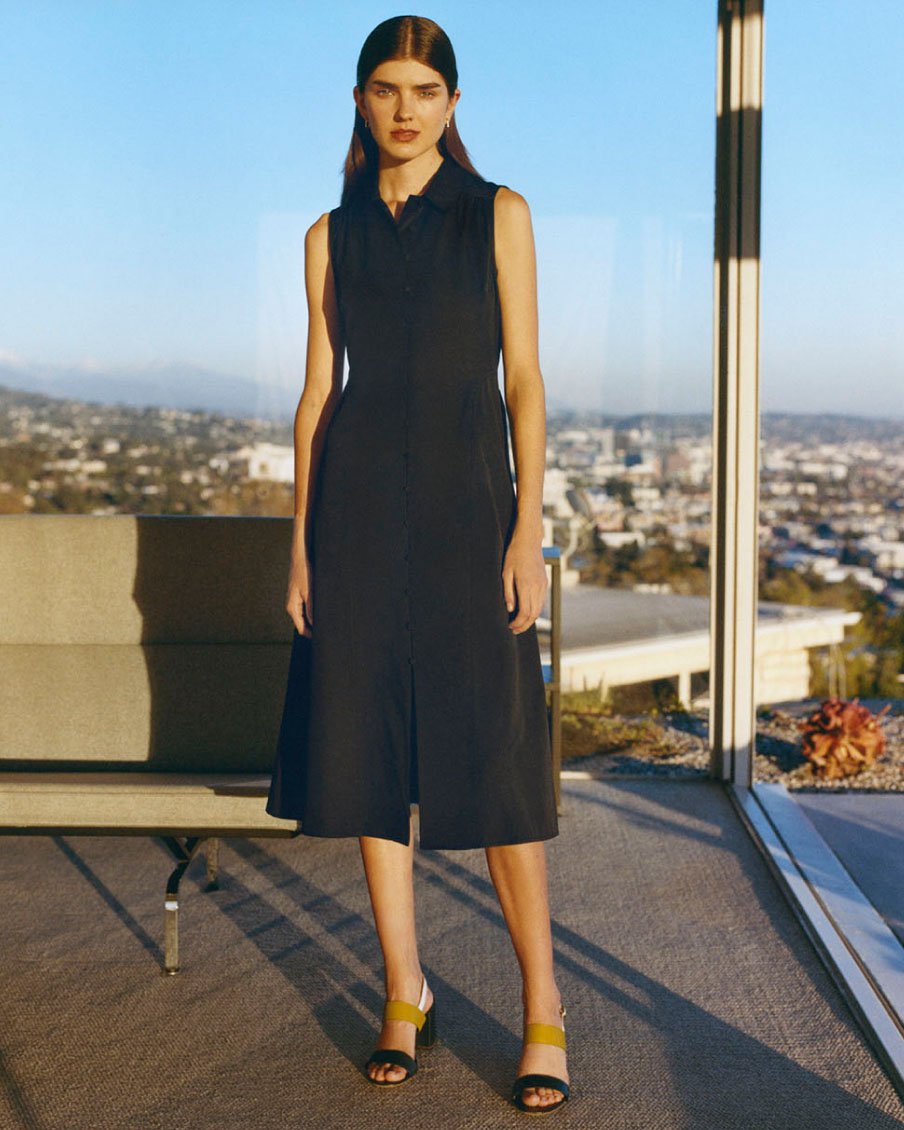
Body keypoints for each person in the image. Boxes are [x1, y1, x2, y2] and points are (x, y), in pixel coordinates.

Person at [265, 14, 569, 1115]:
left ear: (452, 104)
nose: (404, 107)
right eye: (385, 88)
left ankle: (543, 1004)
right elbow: (314, 398)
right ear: (360, 101)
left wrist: (526, 527)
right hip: (351, 522)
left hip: (464, 514)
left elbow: (523, 382)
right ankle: (406, 990)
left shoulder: (499, 216)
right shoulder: (325, 234)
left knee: (491, 763)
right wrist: (301, 544)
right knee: (368, 762)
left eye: (424, 89)